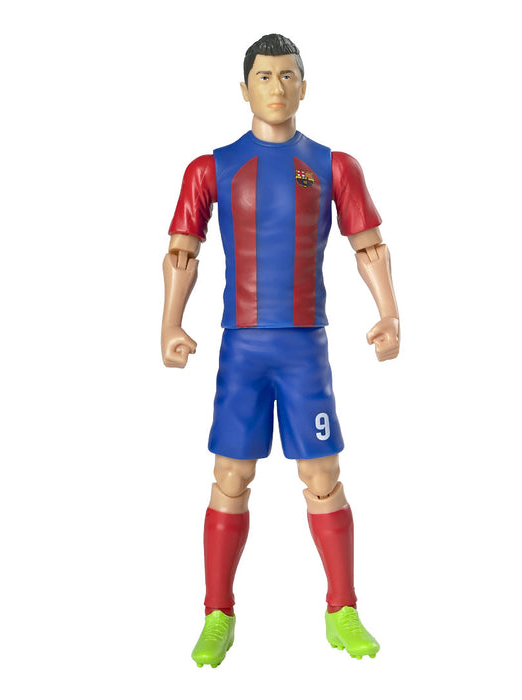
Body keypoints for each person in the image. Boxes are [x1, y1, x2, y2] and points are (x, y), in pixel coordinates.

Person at [162, 34, 400, 668]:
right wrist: (169, 323)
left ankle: (343, 608)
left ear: (304, 86)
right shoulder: (211, 168)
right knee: (230, 476)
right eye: (264, 76)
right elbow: (183, 250)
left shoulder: (334, 166)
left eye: (288, 75)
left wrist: (389, 313)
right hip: (241, 347)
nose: (276, 86)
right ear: (244, 89)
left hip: (304, 349)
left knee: (322, 476)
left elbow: (369, 245)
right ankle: (217, 613)